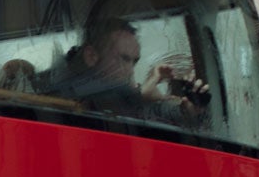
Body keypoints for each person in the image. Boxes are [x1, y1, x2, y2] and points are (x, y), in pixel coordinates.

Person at [43, 15, 209, 123]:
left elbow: (152, 112)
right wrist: (140, 95)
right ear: (91, 56)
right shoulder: (61, 89)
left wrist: (186, 110)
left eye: (134, 62)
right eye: (124, 59)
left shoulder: (126, 99)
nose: (130, 71)